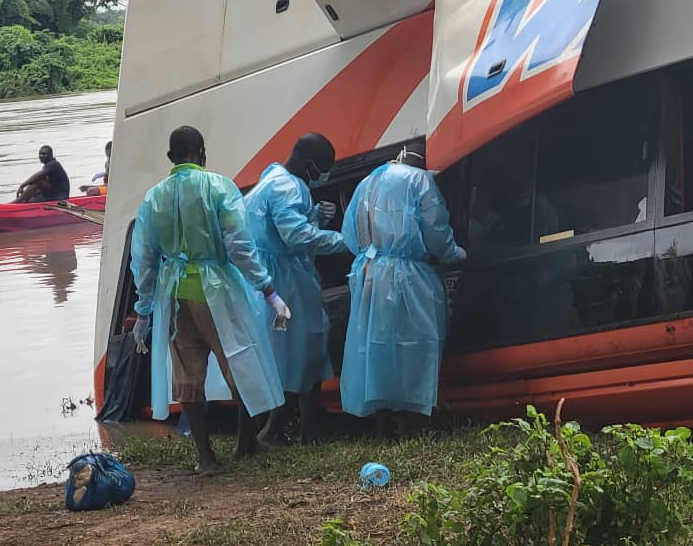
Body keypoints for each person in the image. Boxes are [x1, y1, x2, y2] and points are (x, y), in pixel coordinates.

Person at [129, 126, 290, 472]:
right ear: (202, 152)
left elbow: (143, 259)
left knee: (188, 377)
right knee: (241, 364)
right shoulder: (219, 187)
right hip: (216, 288)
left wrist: (143, 312)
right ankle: (245, 442)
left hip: (174, 296)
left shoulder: (152, 198)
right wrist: (268, 289)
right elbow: (239, 246)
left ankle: (205, 457)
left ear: (170, 158)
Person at [340, 141, 466, 436]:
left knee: (375, 347)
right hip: (407, 273)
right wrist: (454, 254)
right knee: (414, 344)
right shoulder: (419, 180)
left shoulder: (366, 181)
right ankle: (413, 420)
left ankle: (382, 420)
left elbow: (349, 234)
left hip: (368, 271)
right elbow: (435, 229)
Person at [245, 133, 349, 444]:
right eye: (324, 168)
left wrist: (315, 216)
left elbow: (278, 227)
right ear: (309, 164)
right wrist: (343, 241)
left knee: (289, 351)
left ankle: (304, 426)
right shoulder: (287, 186)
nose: (324, 175)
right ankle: (278, 430)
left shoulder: (272, 177)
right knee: (305, 349)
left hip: (269, 274)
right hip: (287, 277)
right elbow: (295, 236)